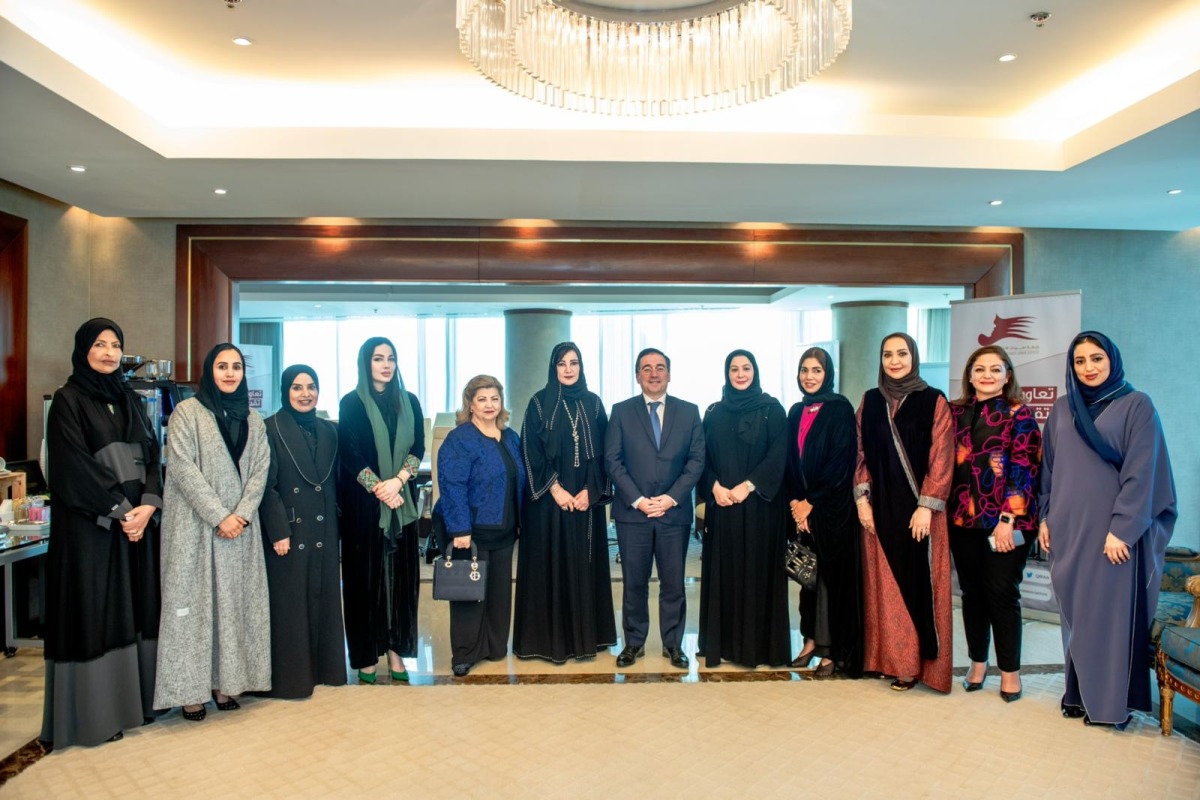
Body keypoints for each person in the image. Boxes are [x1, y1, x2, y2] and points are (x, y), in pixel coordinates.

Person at [1039, 331, 1176, 728]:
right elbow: (1048, 469)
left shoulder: (1137, 405)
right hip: (1069, 531)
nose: (1089, 368)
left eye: (1096, 358)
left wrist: (1123, 528)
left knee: (1109, 618)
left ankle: (1110, 706)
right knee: (1076, 617)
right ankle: (1078, 694)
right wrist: (1045, 517)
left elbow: (1142, 471)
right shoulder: (1063, 409)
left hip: (1112, 536)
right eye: (1080, 361)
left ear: (1111, 359)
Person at [41, 318, 163, 747]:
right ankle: (97, 718)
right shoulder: (67, 401)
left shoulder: (131, 401)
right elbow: (73, 468)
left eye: (116, 344)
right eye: (100, 344)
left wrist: (148, 504)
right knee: (98, 615)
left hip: (137, 526)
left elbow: (153, 457)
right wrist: (123, 511)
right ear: (83, 349)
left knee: (138, 612)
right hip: (92, 533)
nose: (110, 352)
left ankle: (140, 705)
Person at [154, 343, 271, 720]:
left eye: (236, 367)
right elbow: (183, 470)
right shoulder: (187, 413)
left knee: (234, 607)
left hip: (240, 530)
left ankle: (227, 684)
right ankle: (190, 691)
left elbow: (260, 471)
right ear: (210, 370)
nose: (230, 373)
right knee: (193, 609)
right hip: (195, 529)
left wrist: (241, 514)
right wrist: (219, 515)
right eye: (222, 366)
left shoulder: (253, 419)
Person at [855, 332, 953, 692]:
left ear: (914, 356)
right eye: (887, 355)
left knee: (916, 585)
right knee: (886, 587)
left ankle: (918, 666)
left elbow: (942, 457)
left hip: (919, 513)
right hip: (880, 511)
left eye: (901, 354)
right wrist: (862, 500)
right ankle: (892, 661)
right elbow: (860, 452)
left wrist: (927, 507)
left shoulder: (933, 400)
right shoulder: (869, 401)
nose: (894, 361)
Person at [948, 345, 1041, 702]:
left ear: (1007, 375)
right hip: (963, 520)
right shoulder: (955, 413)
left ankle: (1010, 672)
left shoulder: (1020, 413)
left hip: (1008, 521)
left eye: (995, 369)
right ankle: (977, 663)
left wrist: (1006, 519)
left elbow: (1024, 468)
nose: (987, 375)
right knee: (971, 594)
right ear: (969, 374)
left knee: (1001, 593)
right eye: (980, 368)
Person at [514, 343, 617, 662]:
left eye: (574, 363)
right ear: (553, 368)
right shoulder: (538, 404)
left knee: (584, 566)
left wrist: (592, 490)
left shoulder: (595, 403)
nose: (569, 369)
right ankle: (548, 643)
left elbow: (607, 454)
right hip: (548, 504)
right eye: (562, 363)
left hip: (586, 503)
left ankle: (587, 639)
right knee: (551, 566)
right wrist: (555, 490)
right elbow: (528, 452)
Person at [604, 348, 705, 670]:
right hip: (633, 514)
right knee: (634, 582)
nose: (654, 373)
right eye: (646, 368)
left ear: (669, 374)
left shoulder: (689, 412)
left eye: (660, 367)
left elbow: (696, 460)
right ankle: (633, 643)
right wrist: (638, 499)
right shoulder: (621, 412)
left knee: (673, 584)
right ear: (637, 376)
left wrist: (671, 497)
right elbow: (612, 461)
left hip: (673, 514)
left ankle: (673, 645)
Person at [337, 337, 424, 684]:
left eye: (391, 358)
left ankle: (396, 652)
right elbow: (350, 453)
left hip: (402, 504)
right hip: (364, 508)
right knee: (365, 582)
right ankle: (367, 655)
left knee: (402, 583)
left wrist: (398, 482)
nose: (385, 365)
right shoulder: (351, 403)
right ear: (366, 363)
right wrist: (380, 488)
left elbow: (417, 447)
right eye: (378, 358)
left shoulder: (410, 402)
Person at [697, 350, 790, 668]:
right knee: (725, 575)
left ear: (755, 371)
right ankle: (722, 645)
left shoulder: (772, 410)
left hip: (760, 510)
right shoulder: (714, 412)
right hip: (723, 508)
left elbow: (779, 457)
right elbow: (702, 458)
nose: (740, 374)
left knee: (756, 575)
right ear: (726, 373)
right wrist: (714, 487)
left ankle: (757, 649)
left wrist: (748, 486)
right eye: (734, 369)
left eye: (746, 368)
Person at [259, 365, 347, 698]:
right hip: (288, 532)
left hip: (325, 527)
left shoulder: (330, 431)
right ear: (285, 391)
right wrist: (278, 529)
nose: (305, 393)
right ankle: (292, 679)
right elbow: (265, 487)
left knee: (323, 599)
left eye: (311, 387)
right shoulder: (269, 429)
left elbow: (339, 478)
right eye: (297, 387)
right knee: (291, 605)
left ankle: (326, 670)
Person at [434, 375, 526, 677]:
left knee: (499, 594)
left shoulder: (510, 437)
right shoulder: (460, 439)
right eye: (482, 399)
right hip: (470, 533)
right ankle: (464, 654)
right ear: (470, 404)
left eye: (494, 399)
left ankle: (494, 647)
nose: (489, 405)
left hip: (504, 531)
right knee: (468, 594)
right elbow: (452, 486)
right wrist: (460, 529)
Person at [783, 347, 863, 678]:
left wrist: (810, 503)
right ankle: (810, 641)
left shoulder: (839, 408)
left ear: (827, 374)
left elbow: (840, 463)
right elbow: (788, 460)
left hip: (831, 510)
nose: (809, 376)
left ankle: (832, 652)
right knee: (807, 578)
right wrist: (795, 505)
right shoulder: (795, 410)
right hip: (801, 511)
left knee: (830, 581)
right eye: (804, 370)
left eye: (816, 370)